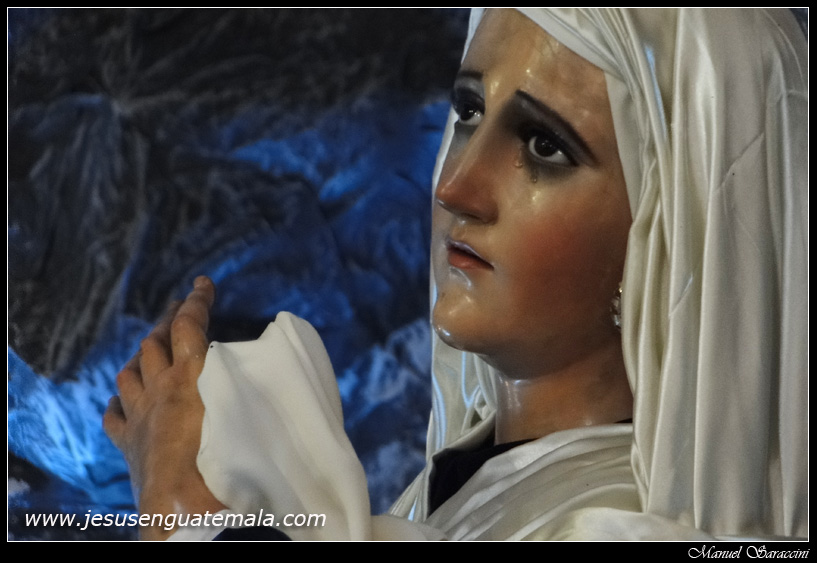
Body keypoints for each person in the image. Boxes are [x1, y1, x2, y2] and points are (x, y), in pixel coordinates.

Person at [104, 8, 808, 540]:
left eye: (544, 146)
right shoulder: (454, 490)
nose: (455, 186)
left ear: (673, 237)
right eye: (469, 112)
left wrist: (183, 505)